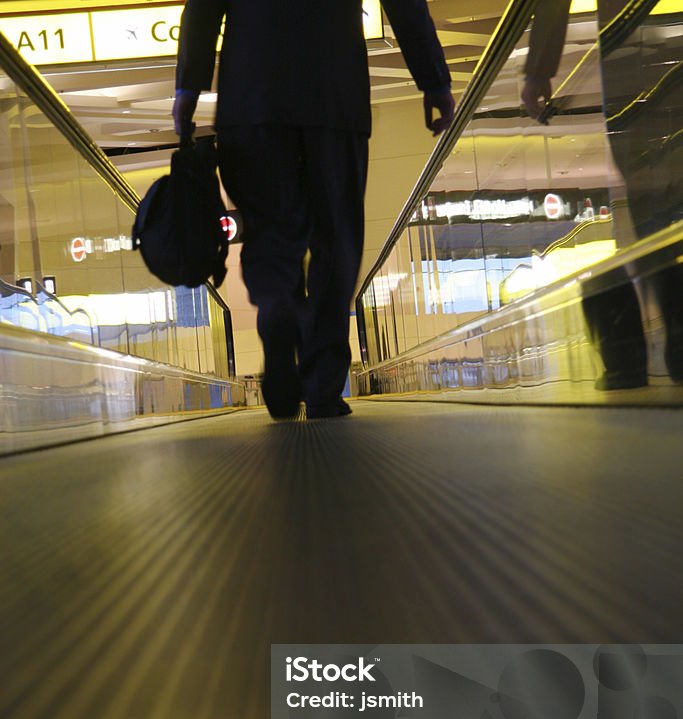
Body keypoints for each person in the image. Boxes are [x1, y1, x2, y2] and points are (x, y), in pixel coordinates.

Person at [173, 0, 455, 418]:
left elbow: (202, 8)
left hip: (252, 100)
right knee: (336, 236)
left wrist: (187, 90)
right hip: (334, 96)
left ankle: (277, 310)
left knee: (269, 233)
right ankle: (323, 384)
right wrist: (433, 81)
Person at [522, 0, 683, 389]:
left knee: (655, 201)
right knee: (659, 201)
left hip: (632, 59)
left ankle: (661, 348)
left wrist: (540, 70)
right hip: (642, 52)